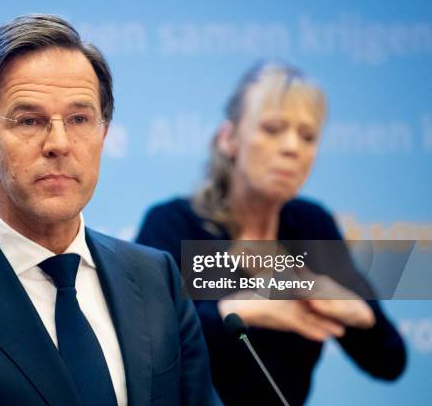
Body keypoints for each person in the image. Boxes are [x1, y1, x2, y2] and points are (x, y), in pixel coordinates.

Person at [0, 15, 220, 406]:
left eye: (80, 119)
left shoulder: (157, 277)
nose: (59, 144)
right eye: (29, 121)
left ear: (104, 134)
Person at [136, 62, 406, 405]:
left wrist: (362, 315)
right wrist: (245, 309)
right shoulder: (174, 223)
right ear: (229, 139)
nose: (292, 147)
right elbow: (147, 348)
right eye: (273, 129)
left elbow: (390, 362)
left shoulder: (311, 226)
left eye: (307, 136)